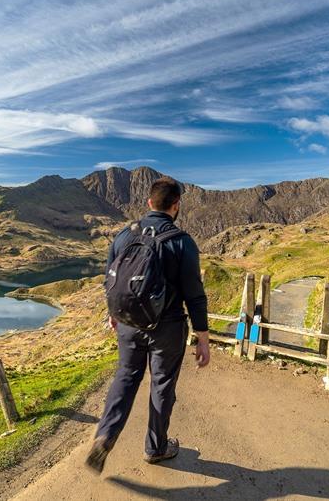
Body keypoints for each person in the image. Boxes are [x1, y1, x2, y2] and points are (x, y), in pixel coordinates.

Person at [85, 176, 211, 473]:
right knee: (162, 385)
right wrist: (203, 338)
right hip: (167, 328)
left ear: (148, 203)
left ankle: (105, 434)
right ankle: (156, 448)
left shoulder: (124, 237)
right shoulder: (181, 242)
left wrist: (114, 314)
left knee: (126, 377)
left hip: (128, 324)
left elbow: (110, 279)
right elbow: (195, 295)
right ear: (176, 206)